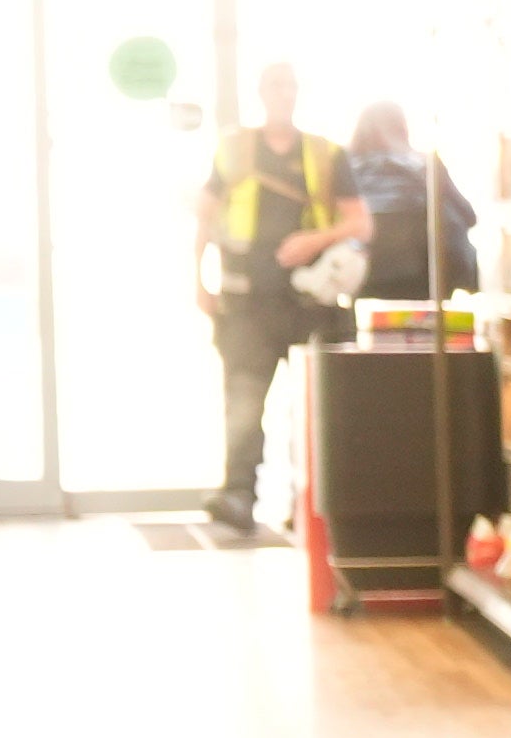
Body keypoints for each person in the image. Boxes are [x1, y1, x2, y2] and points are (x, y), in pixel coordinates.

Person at [199, 61, 337, 537]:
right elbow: (205, 216)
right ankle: (239, 494)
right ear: (260, 92)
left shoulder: (322, 153)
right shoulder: (236, 149)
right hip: (247, 303)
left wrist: (314, 242)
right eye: (275, 86)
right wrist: (199, 280)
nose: (283, 94)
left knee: (313, 409)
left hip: (309, 304)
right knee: (244, 401)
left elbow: (359, 223)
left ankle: (310, 504)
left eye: (290, 86)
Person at [323, 99, 474, 302]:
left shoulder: (345, 165)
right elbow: (468, 215)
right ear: (403, 127)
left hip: (362, 276)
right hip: (423, 277)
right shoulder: (425, 164)